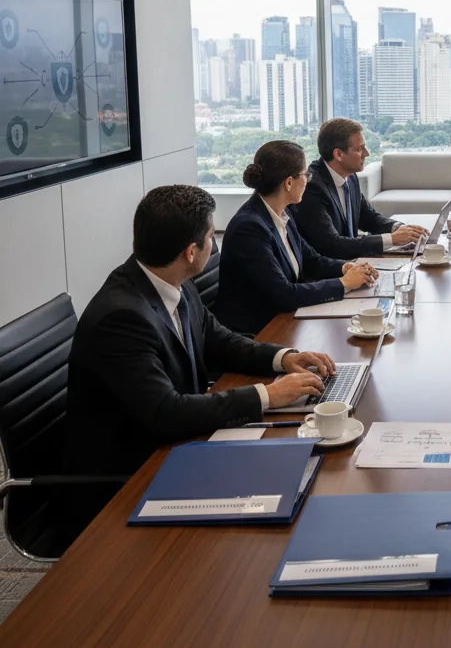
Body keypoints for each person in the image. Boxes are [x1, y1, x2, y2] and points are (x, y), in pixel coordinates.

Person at [66, 185, 336, 517]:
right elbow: (166, 413)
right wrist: (268, 395)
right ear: (191, 251)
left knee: (300, 475)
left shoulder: (169, 282)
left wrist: (283, 357)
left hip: (179, 445)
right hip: (132, 475)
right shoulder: (121, 317)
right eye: (212, 236)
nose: (215, 243)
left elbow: (218, 340)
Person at [213, 140, 376, 335]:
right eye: (306, 174)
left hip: (284, 318)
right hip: (258, 331)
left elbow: (311, 260)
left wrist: (345, 268)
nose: (308, 179)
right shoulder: (249, 227)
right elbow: (285, 294)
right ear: (289, 182)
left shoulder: (282, 214)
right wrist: (345, 283)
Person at [290, 117, 429, 259]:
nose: (367, 153)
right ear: (338, 154)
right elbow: (331, 245)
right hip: (329, 271)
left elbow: (367, 217)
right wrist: (392, 239)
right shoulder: (312, 187)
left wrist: (400, 228)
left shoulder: (350, 177)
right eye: (359, 149)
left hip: (353, 262)